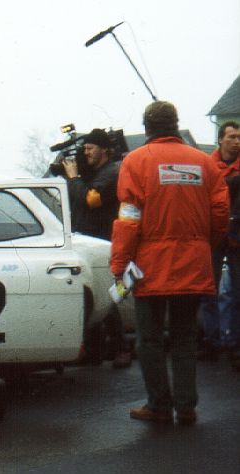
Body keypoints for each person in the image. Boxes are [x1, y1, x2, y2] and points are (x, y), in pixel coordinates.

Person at [111, 101, 229, 424]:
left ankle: (159, 405)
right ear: (175, 124)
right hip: (193, 263)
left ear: (147, 128)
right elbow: (220, 214)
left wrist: (120, 264)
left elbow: (129, 219)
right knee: (185, 336)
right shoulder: (204, 162)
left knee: (149, 339)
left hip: (150, 267)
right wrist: (202, 245)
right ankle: (186, 406)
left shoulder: (136, 161)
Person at [62, 128, 131, 368]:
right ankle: (95, 349)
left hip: (103, 242)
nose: (86, 152)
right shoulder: (95, 173)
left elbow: (91, 199)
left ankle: (122, 347)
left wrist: (73, 178)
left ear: (105, 150)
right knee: (93, 293)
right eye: (84, 148)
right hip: (89, 239)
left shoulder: (111, 172)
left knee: (108, 296)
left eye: (90, 148)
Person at [199, 121, 240, 364]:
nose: (237, 142)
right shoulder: (207, 166)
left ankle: (235, 343)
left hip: (237, 236)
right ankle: (211, 340)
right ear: (220, 139)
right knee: (209, 290)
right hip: (212, 235)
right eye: (232, 137)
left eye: (239, 137)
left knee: (237, 290)